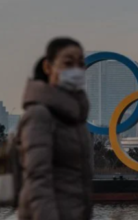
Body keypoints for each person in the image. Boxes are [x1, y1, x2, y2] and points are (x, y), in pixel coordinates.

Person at [18, 38, 92, 220]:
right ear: (48, 67)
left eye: (81, 64)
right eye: (68, 63)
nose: (76, 70)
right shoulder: (40, 115)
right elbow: (38, 181)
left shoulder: (75, 119)